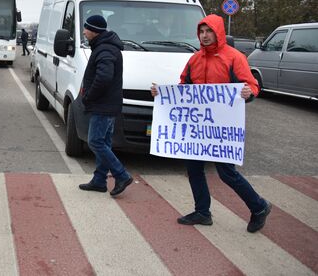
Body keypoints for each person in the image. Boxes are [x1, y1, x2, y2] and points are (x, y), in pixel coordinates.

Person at [150, 14, 271, 233]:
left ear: (218, 32)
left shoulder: (234, 58)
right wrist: (162, 94)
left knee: (227, 174)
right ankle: (203, 212)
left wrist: (248, 92)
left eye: (209, 32)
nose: (205, 36)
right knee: (194, 168)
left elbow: (252, 85)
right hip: (198, 129)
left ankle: (259, 206)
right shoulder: (195, 59)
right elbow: (183, 88)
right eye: (201, 32)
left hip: (222, 130)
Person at [78, 15, 133, 196]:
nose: (84, 32)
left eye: (86, 28)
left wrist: (89, 96)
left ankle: (121, 175)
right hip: (109, 104)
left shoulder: (105, 49)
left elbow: (104, 77)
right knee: (104, 142)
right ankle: (99, 181)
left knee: (95, 141)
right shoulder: (105, 46)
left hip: (103, 105)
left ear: (94, 31)